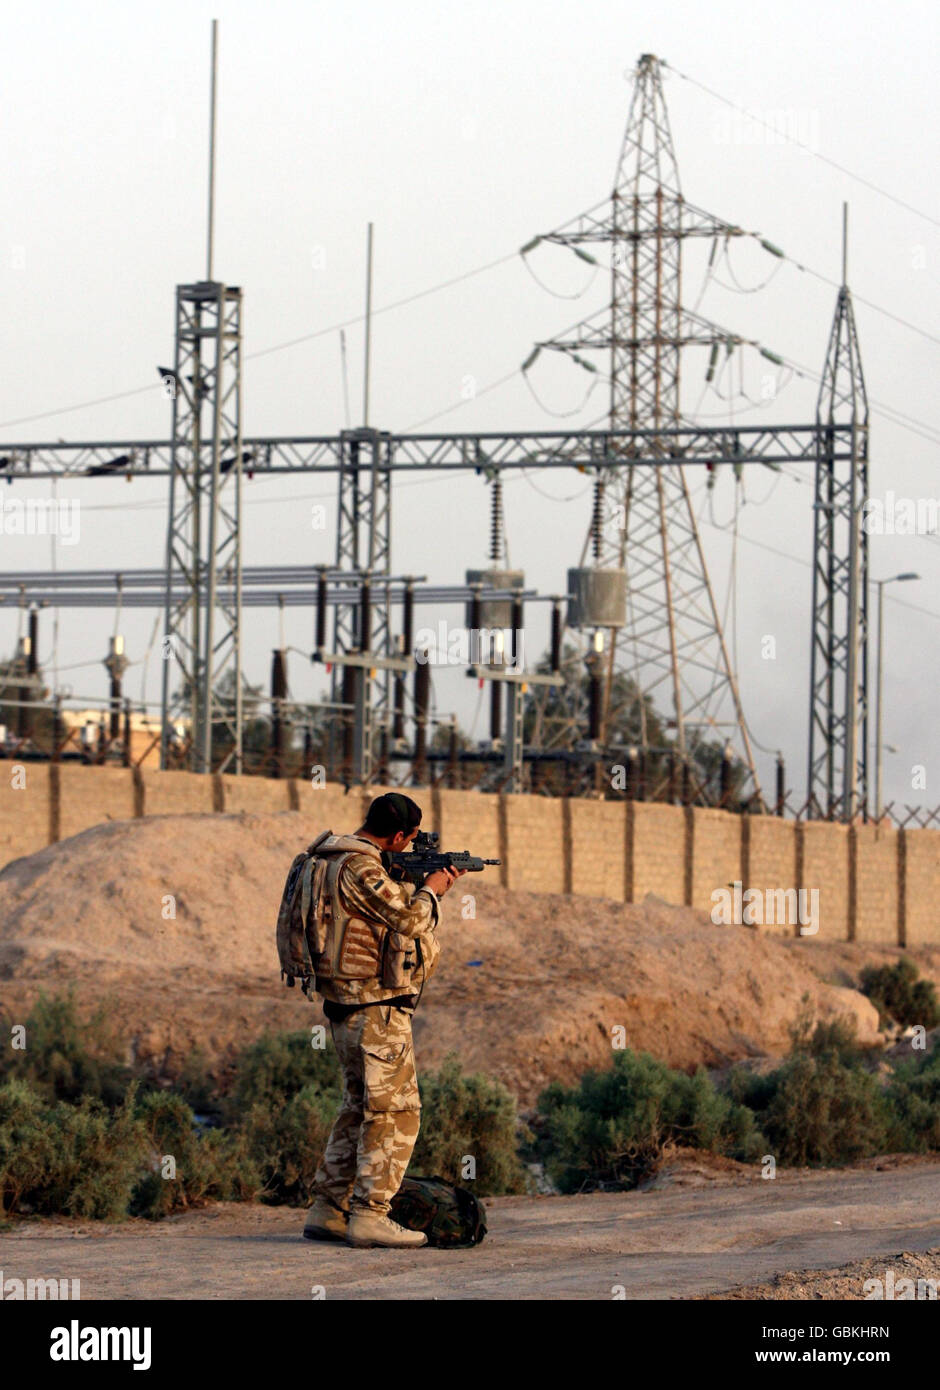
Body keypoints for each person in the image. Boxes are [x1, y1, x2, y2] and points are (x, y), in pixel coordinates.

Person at [303, 791, 466, 1249]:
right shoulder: (361, 868)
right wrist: (432, 889)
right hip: (375, 1010)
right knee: (396, 1112)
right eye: (408, 840)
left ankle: (328, 1209)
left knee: (358, 1107)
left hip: (344, 1007)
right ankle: (371, 1215)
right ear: (397, 835)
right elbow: (410, 920)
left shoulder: (328, 858)